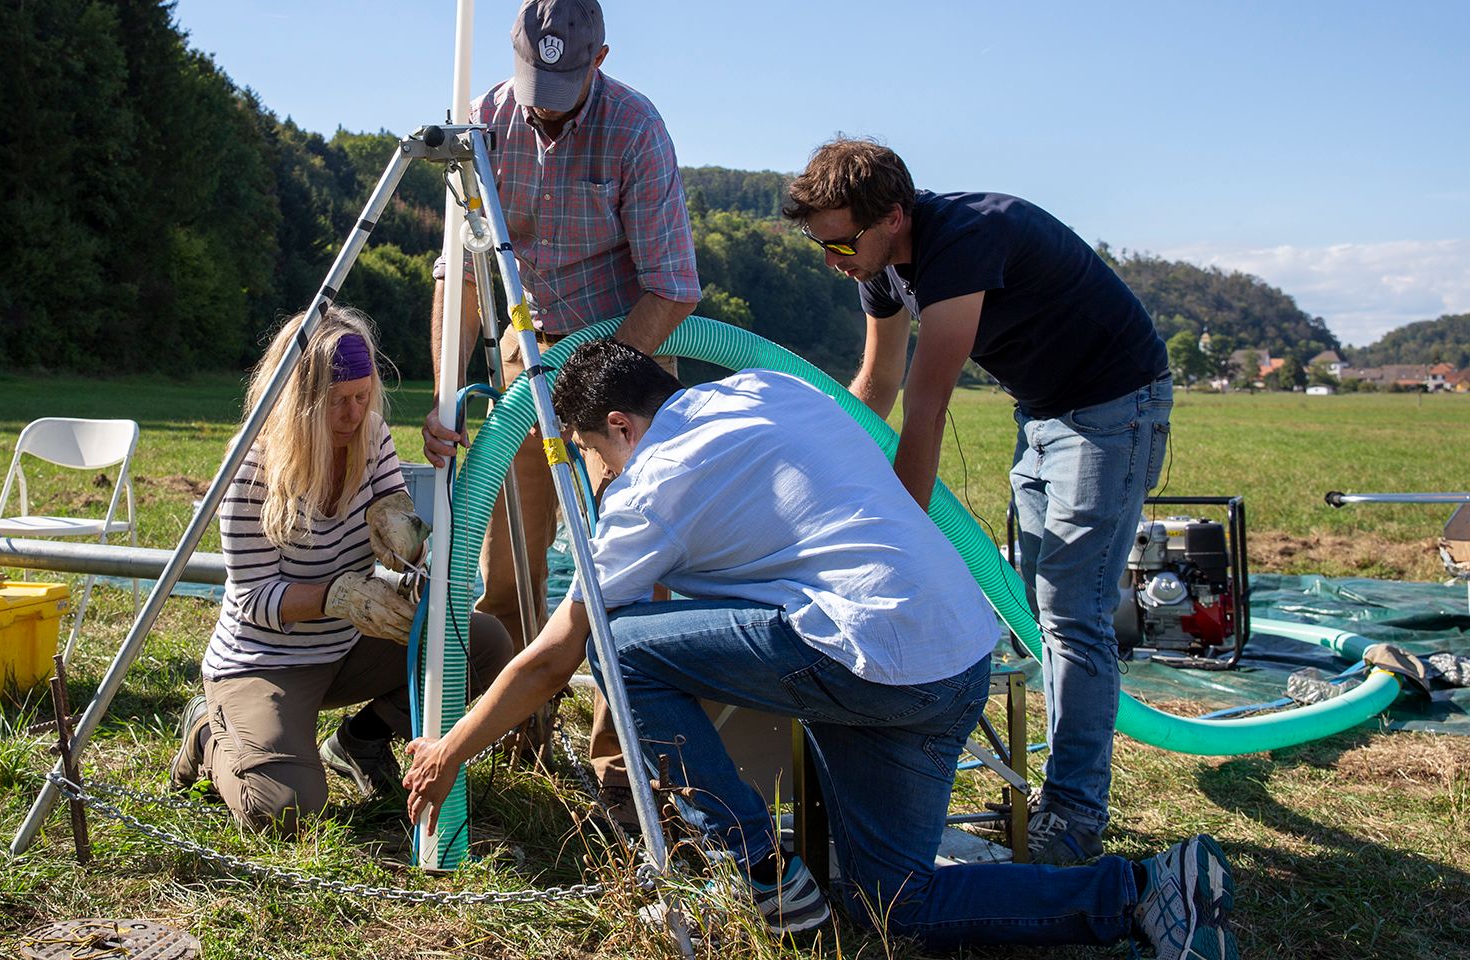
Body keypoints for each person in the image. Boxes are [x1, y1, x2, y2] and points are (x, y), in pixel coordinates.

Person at [402, 339, 1235, 959]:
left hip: (866, 652)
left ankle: (758, 870)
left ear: (619, 426)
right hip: (952, 656)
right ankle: (1146, 892)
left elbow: (556, 657)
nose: (597, 474)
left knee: (619, 650)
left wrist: (448, 752)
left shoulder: (652, 481)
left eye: (589, 454)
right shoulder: (773, 388)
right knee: (891, 908)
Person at [781, 139, 1173, 865]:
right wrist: (832, 491)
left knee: (1071, 613)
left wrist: (893, 540)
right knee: (1037, 604)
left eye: (840, 241)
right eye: (818, 243)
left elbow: (927, 406)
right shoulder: (880, 266)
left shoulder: (963, 239)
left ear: (894, 215)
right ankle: (1062, 791)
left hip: (1116, 407)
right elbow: (876, 390)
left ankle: (1075, 817)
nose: (832, 259)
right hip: (1045, 411)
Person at [420, 0, 701, 816]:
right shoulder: (484, 122)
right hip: (524, 346)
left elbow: (673, 285)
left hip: (626, 357)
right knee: (506, 555)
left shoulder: (636, 130)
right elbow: (456, 269)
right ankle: (519, 733)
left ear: (602, 57)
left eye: (564, 85)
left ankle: (622, 767)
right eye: (534, 81)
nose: (545, 102)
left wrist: (594, 377)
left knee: (628, 568)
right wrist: (447, 388)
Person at [169, 307, 512, 834]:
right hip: (267, 660)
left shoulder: (372, 437)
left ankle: (362, 739)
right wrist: (338, 595)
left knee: (482, 643)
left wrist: (405, 534)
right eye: (336, 403)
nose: (354, 415)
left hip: (348, 646)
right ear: (298, 404)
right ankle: (209, 734)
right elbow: (252, 600)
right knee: (283, 809)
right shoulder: (253, 465)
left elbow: (399, 536)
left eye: (362, 396)